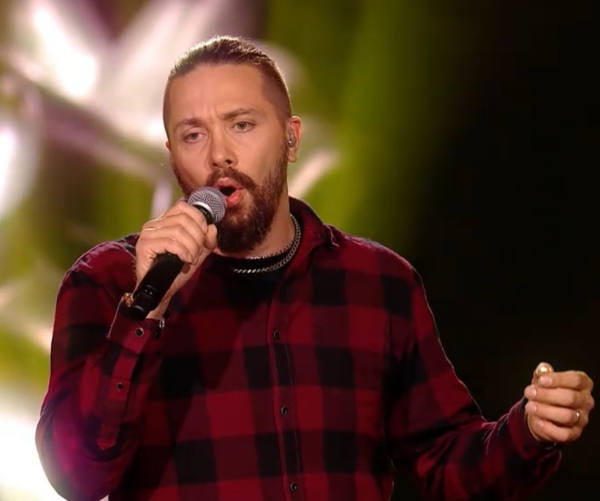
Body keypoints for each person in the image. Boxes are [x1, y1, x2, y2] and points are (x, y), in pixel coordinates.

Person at [35, 36, 594, 501]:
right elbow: (78, 478)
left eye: (242, 125)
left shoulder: (379, 283)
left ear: (291, 139)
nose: (218, 155)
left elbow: (448, 464)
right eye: (193, 135)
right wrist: (145, 312)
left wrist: (529, 431)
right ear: (172, 154)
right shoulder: (109, 281)